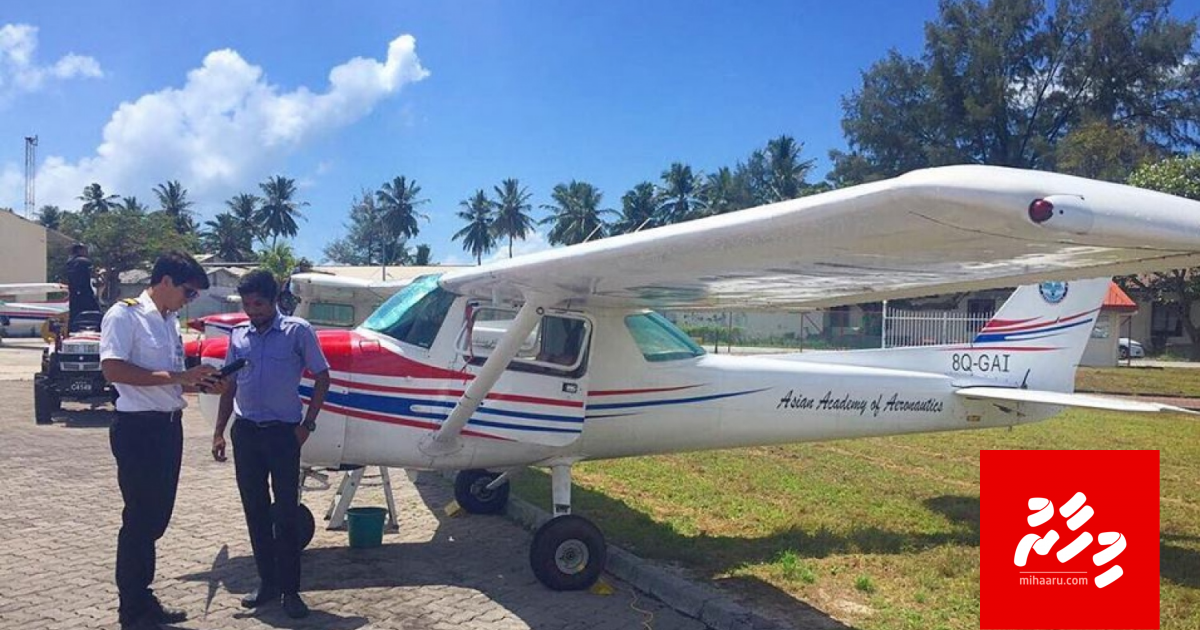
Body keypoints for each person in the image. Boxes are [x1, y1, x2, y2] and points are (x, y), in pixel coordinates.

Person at [100, 251, 224, 630]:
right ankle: (132, 608)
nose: (190, 302)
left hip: (168, 427)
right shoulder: (125, 314)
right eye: (188, 293)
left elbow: (168, 377)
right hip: (139, 430)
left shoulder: (169, 321)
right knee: (139, 519)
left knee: (156, 519)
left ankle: (143, 596)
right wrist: (176, 377)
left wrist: (193, 381)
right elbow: (113, 368)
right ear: (166, 281)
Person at [212, 269, 330, 619]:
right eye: (247, 304)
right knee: (256, 511)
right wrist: (220, 431)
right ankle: (267, 583)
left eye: (259, 304)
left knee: (286, 514)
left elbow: (322, 376)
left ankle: (291, 591)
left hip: (283, 435)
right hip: (246, 433)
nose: (253, 311)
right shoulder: (239, 335)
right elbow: (229, 384)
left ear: (275, 300)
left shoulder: (298, 332)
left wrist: (308, 424)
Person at [65, 243, 100, 318]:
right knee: (95, 314)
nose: (86, 252)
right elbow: (92, 275)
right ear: (79, 250)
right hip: (86, 293)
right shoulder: (84, 261)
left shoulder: (69, 263)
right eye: (84, 250)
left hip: (73, 294)